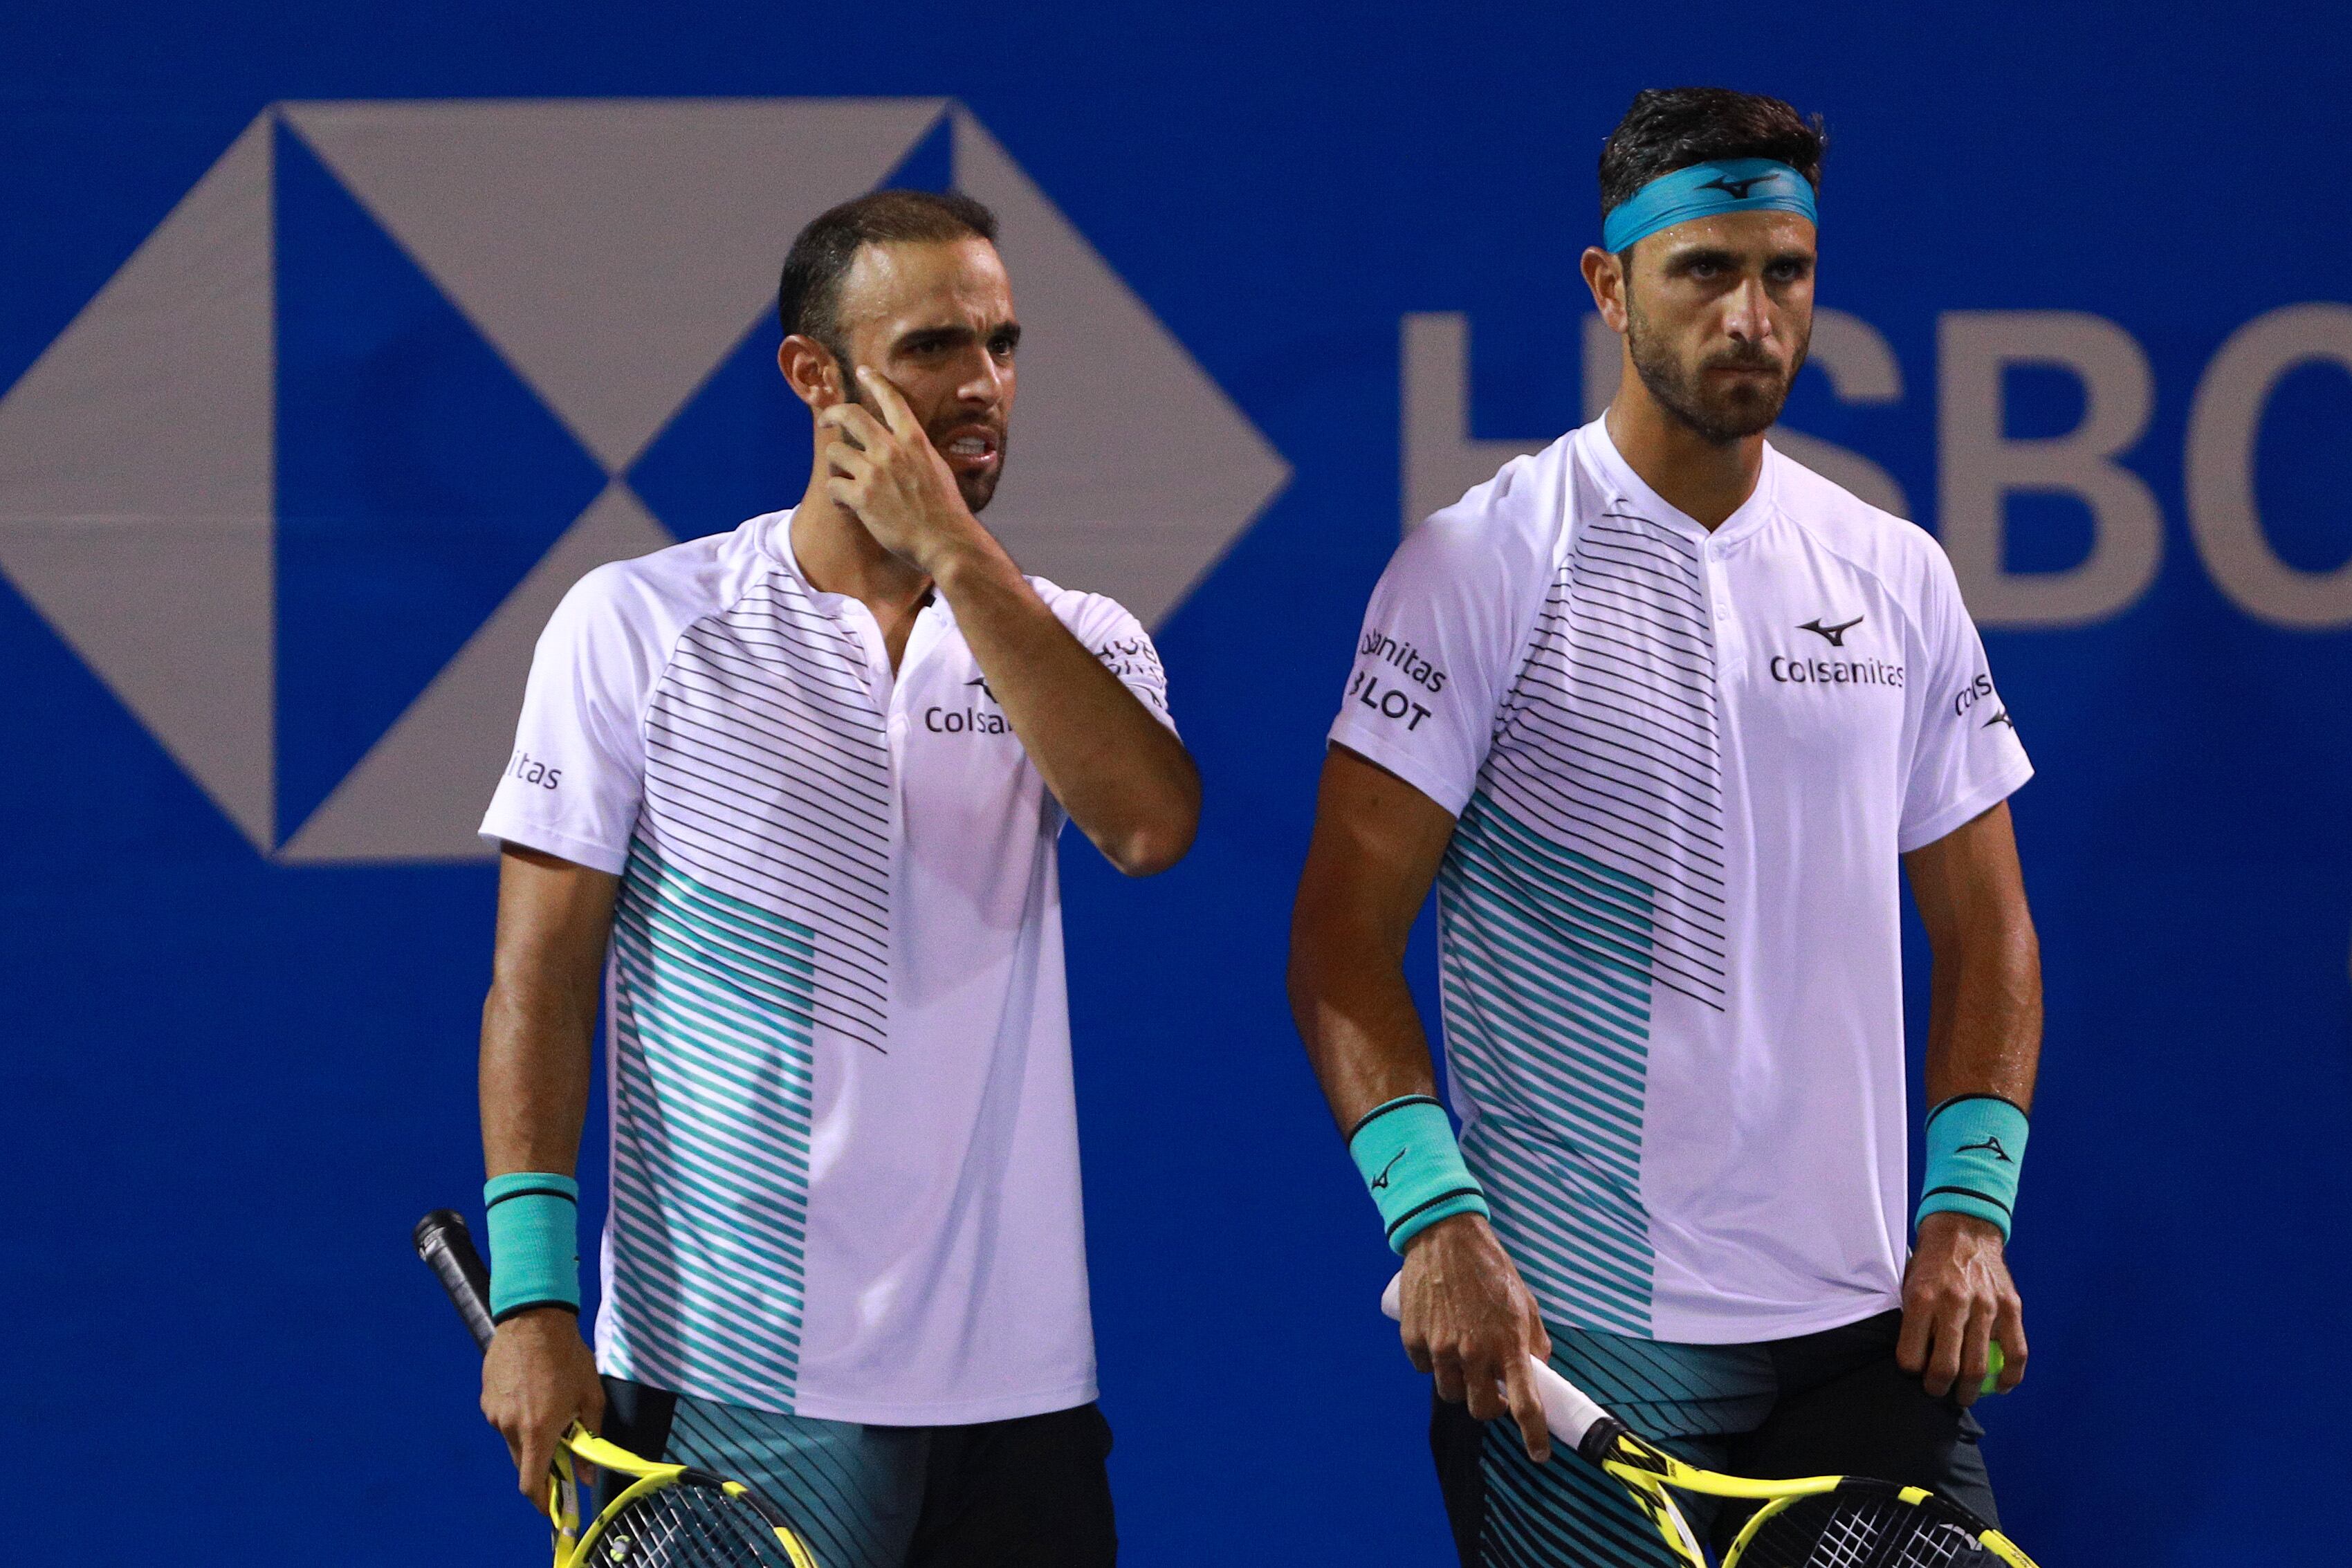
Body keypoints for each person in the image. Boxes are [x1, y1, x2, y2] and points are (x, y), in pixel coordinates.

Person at [1288, 88, 2041, 1564]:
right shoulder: (1480, 566)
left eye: (1785, 273)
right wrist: (1432, 1220)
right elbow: (1338, 940)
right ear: (1610, 285)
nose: (1751, 318)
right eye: (1704, 271)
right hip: (1581, 1338)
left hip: (1866, 1332)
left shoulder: (1894, 571)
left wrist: (1969, 1208)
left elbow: (1987, 929)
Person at [472, 188, 1199, 1568]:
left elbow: (1149, 829)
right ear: (816, 376)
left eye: (1001, 344)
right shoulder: (640, 627)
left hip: (1019, 1392)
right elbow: (539, 981)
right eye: (932, 348)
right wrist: (533, 1299)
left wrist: (953, 554)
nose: (981, 384)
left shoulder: (1077, 638)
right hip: (732, 1378)